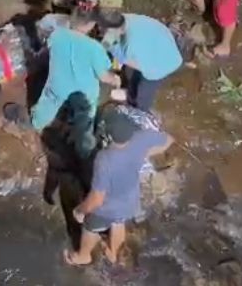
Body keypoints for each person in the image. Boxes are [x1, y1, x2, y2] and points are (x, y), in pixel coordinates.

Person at [64, 112, 172, 267]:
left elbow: (97, 199)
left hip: (106, 209)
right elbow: (168, 140)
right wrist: (145, 153)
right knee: (118, 222)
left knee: (90, 227)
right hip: (130, 203)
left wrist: (80, 211)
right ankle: (114, 254)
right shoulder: (141, 138)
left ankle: (83, 256)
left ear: (109, 136)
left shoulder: (105, 159)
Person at [31, 8, 121, 158]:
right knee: (84, 124)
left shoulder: (56, 35)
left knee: (47, 105)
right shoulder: (95, 48)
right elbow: (104, 76)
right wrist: (116, 79)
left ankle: (36, 124)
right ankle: (84, 153)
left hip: (58, 84)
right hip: (83, 93)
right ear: (91, 25)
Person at [98, 12, 183, 112]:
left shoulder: (131, 46)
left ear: (119, 30)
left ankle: (139, 112)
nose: (104, 34)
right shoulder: (124, 18)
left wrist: (113, 50)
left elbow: (137, 65)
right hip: (163, 39)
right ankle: (128, 91)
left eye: (106, 32)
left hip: (163, 63)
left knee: (142, 98)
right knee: (130, 75)